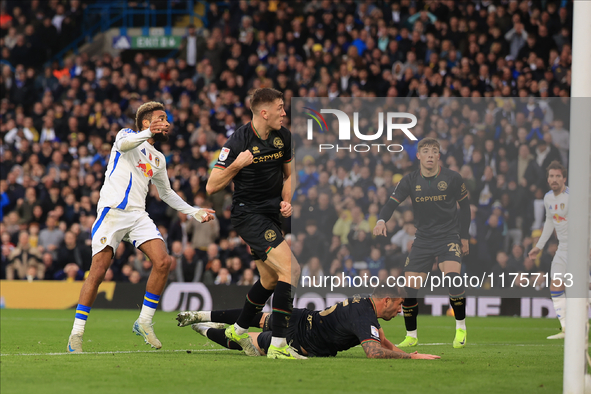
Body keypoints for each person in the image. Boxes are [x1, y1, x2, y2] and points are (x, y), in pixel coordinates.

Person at [67, 102, 215, 353]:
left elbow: (166, 193)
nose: (166, 123)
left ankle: (144, 321)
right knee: (99, 271)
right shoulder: (125, 135)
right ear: (146, 123)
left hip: (137, 215)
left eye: (167, 119)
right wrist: (147, 133)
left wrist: (194, 211)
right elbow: (125, 145)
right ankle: (76, 334)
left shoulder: (158, 158)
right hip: (112, 212)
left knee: (164, 261)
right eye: (161, 118)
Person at [205, 88, 299, 359]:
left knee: (270, 279)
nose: (284, 113)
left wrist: (286, 199)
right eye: (280, 108)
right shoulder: (237, 142)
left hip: (271, 214)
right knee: (292, 270)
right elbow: (212, 186)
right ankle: (279, 346)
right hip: (248, 215)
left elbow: (290, 175)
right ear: (264, 112)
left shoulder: (283, 136)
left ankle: (237, 328)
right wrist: (236, 165)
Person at [373, 138, 470, 349]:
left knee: (453, 279)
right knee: (409, 289)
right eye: (425, 151)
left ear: (438, 156)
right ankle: (411, 335)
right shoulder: (409, 180)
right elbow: (391, 203)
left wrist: (464, 237)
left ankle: (461, 328)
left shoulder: (452, 178)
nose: (430, 155)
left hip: (448, 236)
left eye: (434, 151)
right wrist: (381, 220)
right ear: (418, 156)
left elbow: (466, 207)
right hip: (423, 238)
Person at [176, 285, 440, 360]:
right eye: (399, 305)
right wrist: (413, 359)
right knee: (248, 344)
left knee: (254, 318)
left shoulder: (363, 304)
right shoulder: (364, 315)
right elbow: (373, 351)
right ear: (385, 301)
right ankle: (204, 329)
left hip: (302, 318)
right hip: (301, 341)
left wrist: (409, 352)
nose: (400, 310)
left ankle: (203, 317)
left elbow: (381, 340)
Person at [527, 161, 569, 339]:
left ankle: (580, 325)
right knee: (555, 285)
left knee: (583, 288)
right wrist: (539, 246)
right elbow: (550, 222)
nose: (554, 179)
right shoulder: (548, 198)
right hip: (563, 248)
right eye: (551, 176)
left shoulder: (573, 196)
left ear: (564, 178)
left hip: (580, 246)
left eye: (558, 176)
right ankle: (567, 328)